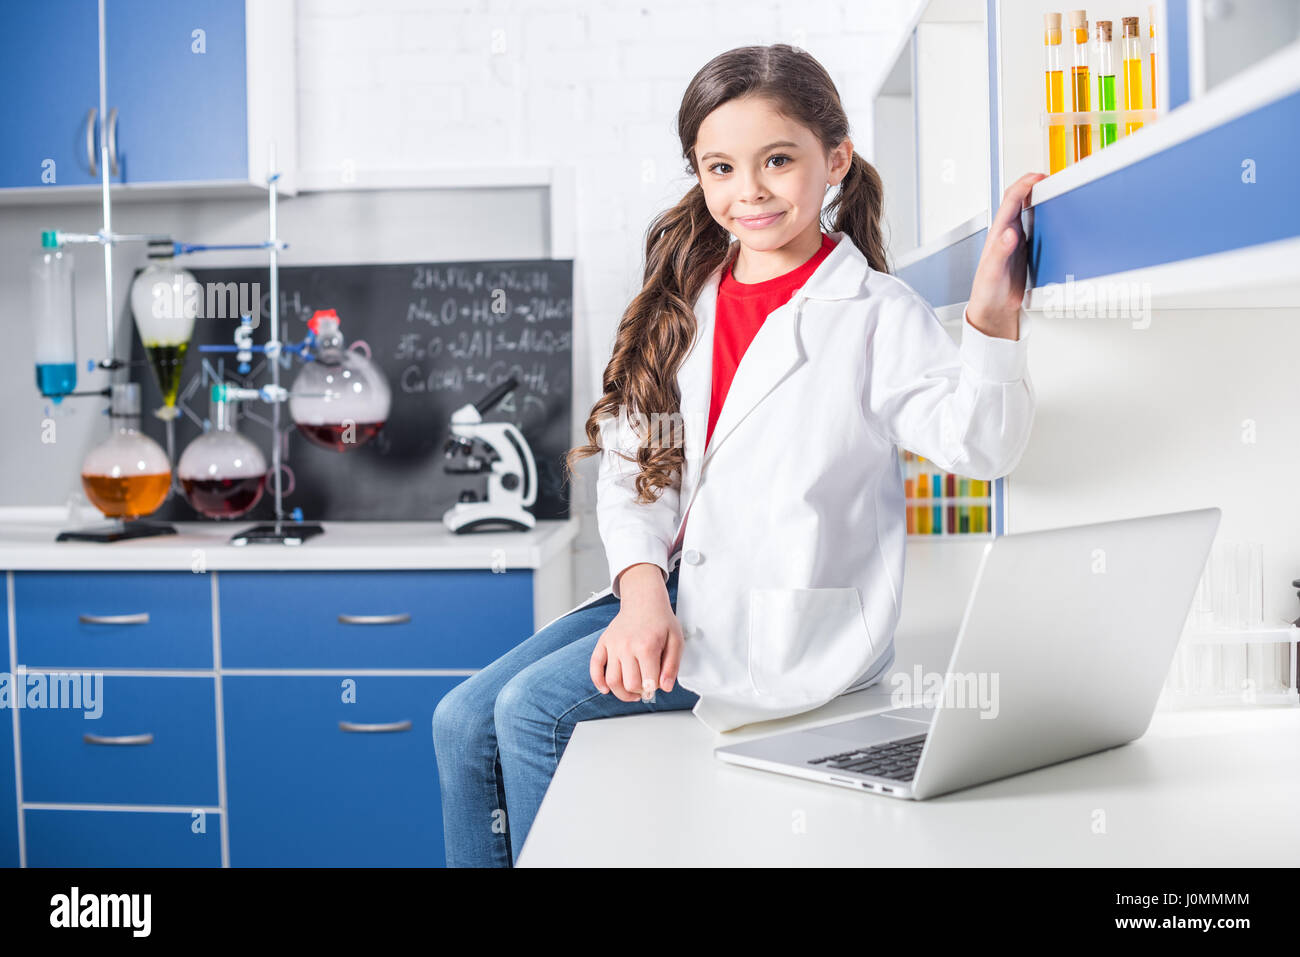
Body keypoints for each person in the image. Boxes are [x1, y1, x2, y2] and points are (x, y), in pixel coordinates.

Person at [433, 43, 1042, 868]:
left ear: (836, 160)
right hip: (680, 588)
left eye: (777, 160)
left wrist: (993, 320)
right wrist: (642, 593)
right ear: (699, 171)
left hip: (776, 624)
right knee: (459, 719)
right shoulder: (686, 299)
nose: (747, 191)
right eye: (720, 167)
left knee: (532, 712)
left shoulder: (874, 312)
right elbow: (634, 472)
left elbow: (982, 444)